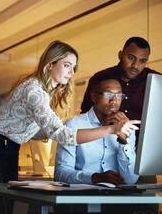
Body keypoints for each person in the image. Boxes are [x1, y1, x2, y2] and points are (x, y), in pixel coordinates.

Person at [0, 40, 141, 214]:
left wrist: (53, 132)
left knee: (7, 208)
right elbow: (62, 135)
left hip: (9, 149)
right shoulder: (35, 92)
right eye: (66, 65)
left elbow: (32, 129)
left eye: (73, 67)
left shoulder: (43, 90)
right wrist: (110, 130)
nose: (71, 72)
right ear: (49, 64)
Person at [54, 75, 140, 213]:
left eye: (119, 95)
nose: (114, 100)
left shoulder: (127, 128)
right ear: (93, 97)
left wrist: (124, 140)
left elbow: (130, 180)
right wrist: (94, 177)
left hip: (116, 203)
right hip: (80, 201)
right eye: (108, 94)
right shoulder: (74, 125)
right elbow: (61, 173)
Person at [80, 37, 160, 185]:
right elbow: (86, 116)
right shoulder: (100, 79)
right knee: (104, 204)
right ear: (120, 55)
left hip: (141, 158)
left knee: (145, 206)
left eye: (142, 61)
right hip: (104, 153)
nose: (135, 65)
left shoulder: (156, 81)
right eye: (131, 58)